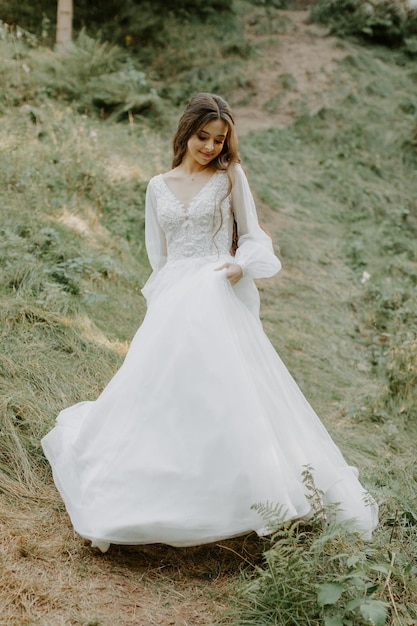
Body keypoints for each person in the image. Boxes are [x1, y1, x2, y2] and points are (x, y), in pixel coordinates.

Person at [41, 93, 378, 553]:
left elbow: (256, 237)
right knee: (161, 388)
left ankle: (245, 491)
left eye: (220, 140)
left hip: (218, 287)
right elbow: (159, 256)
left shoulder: (229, 177)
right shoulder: (157, 186)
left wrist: (241, 266)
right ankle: (155, 476)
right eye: (204, 137)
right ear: (186, 132)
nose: (211, 147)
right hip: (174, 295)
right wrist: (161, 301)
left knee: (227, 389)